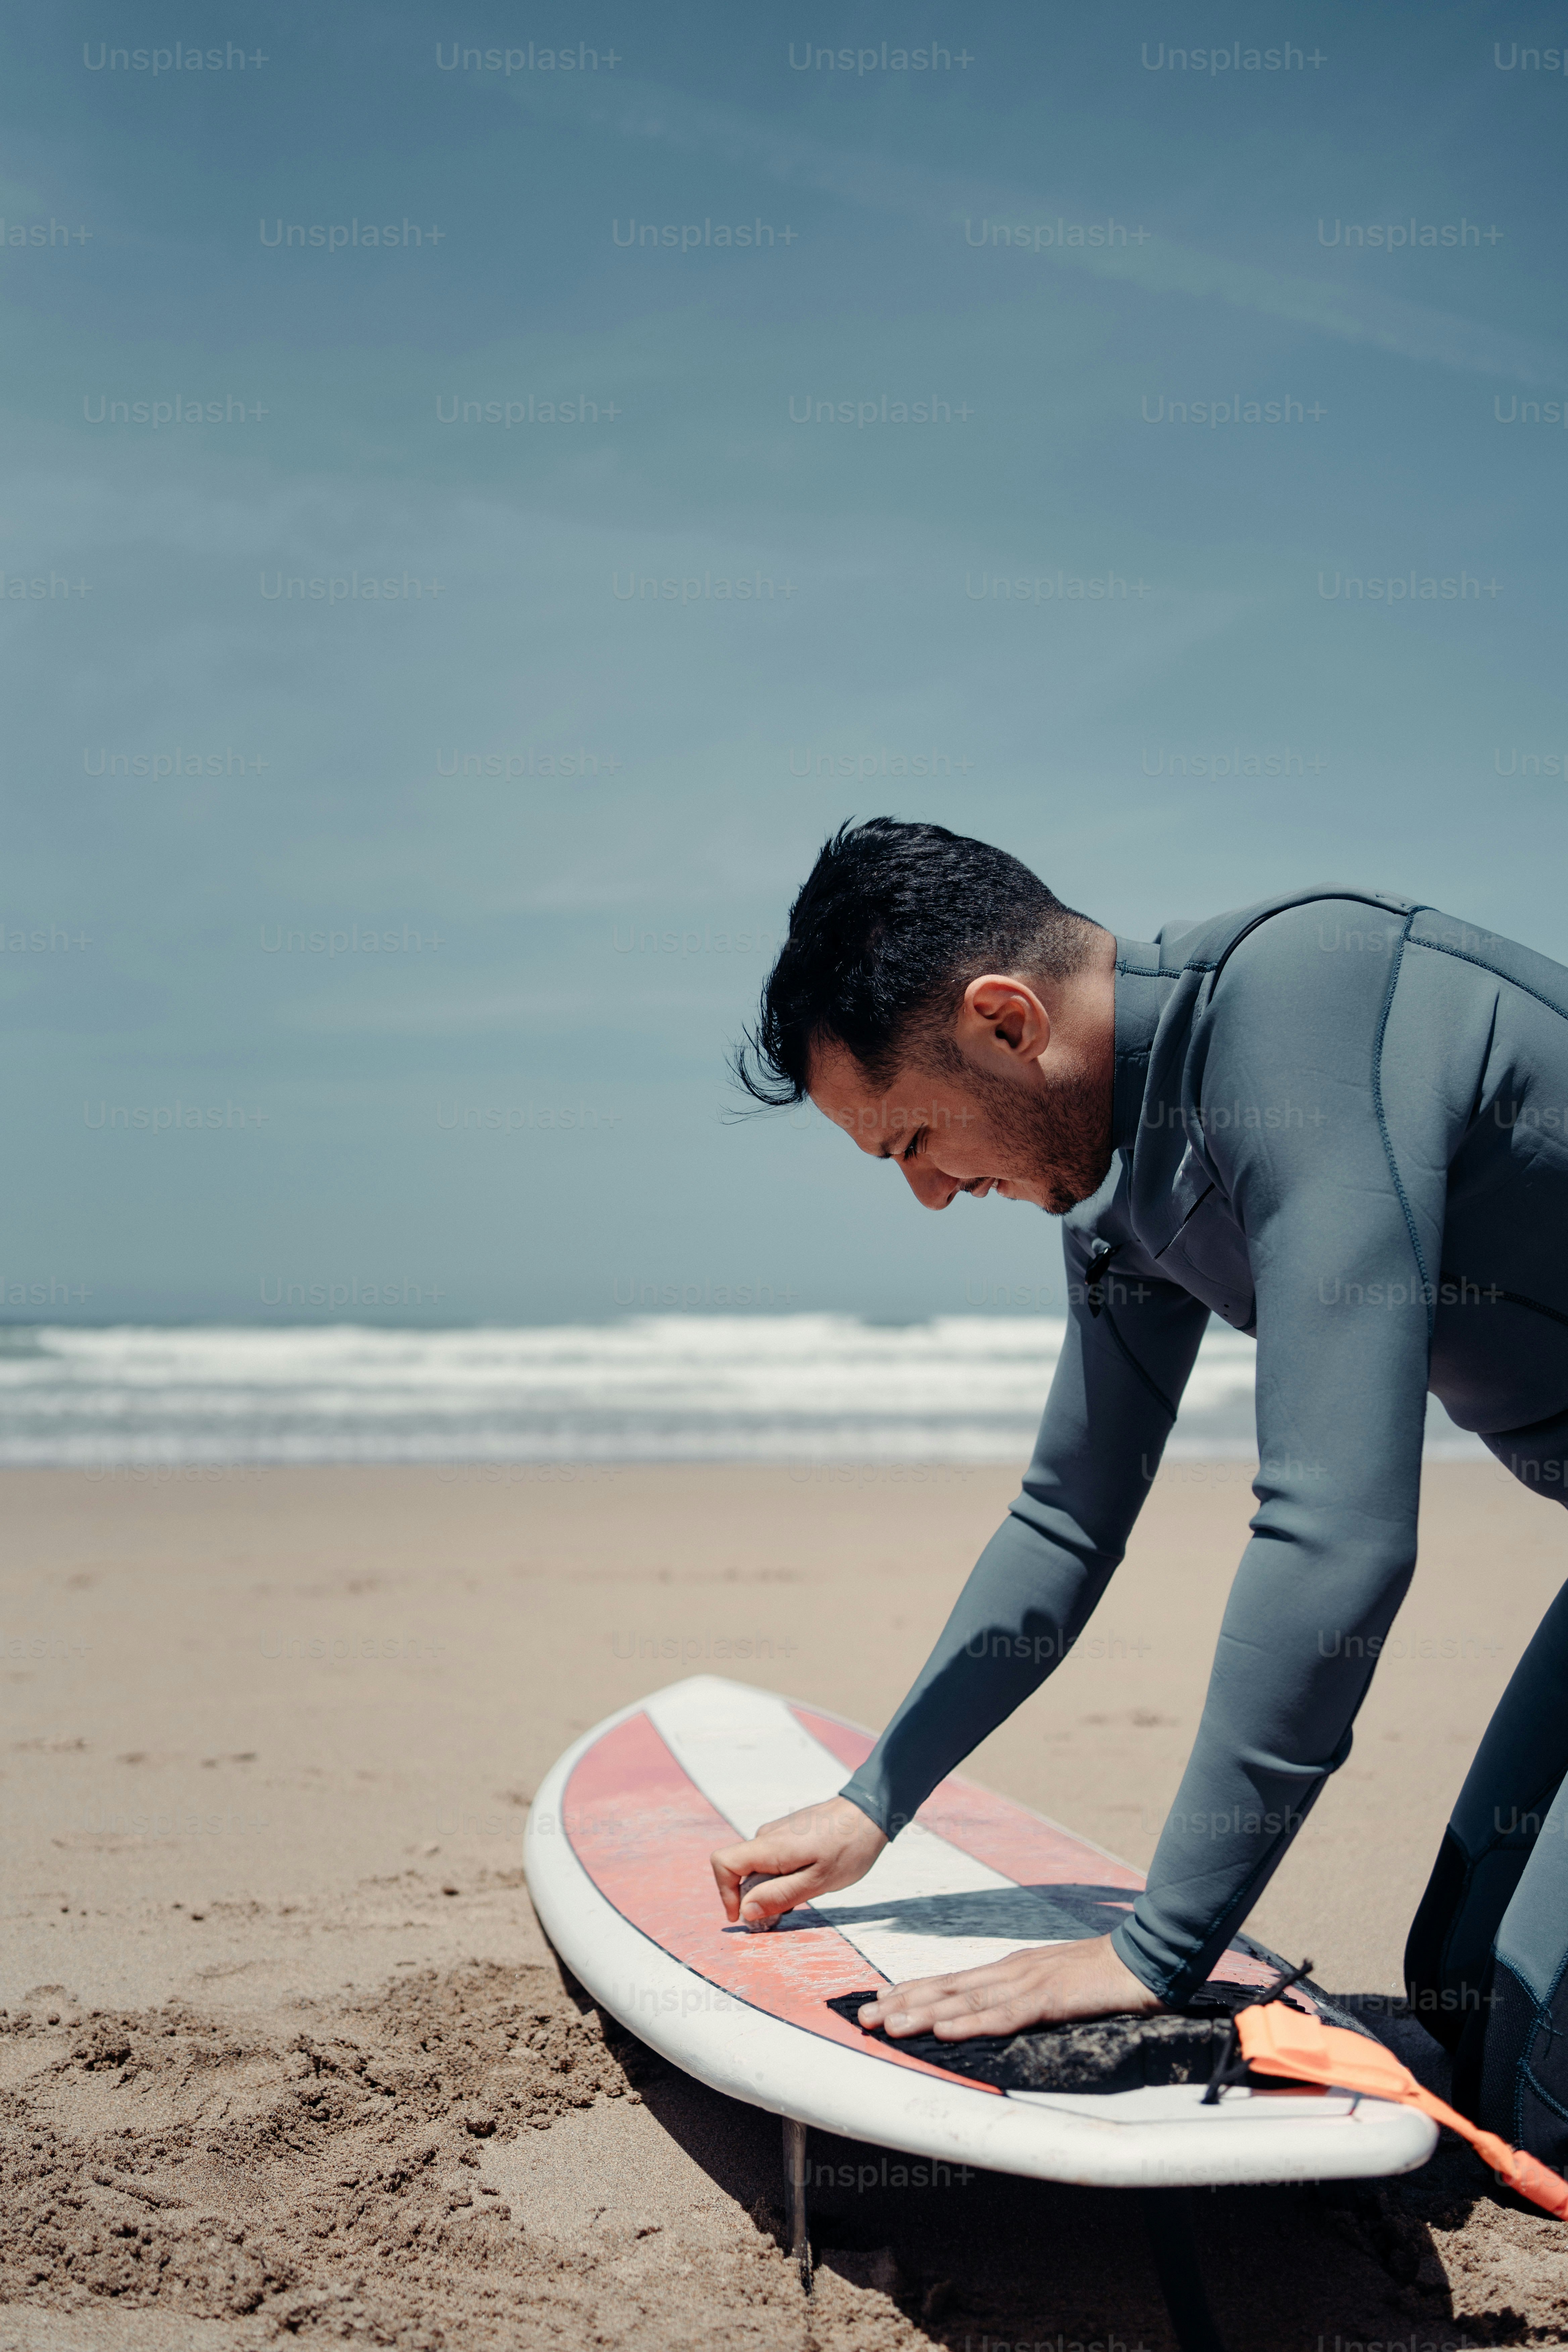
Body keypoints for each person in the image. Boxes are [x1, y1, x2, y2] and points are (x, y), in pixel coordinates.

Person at [708, 817, 1568, 2169]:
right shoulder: (1123, 1193)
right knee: (1461, 1989)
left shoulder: (1310, 1012)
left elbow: (1335, 1532)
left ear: (1003, 1021)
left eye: (913, 1140)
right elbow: (1066, 1519)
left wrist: (1156, 1948)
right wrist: (875, 1800)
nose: (931, 1194)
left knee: (1546, 2092)